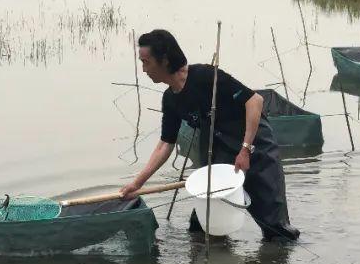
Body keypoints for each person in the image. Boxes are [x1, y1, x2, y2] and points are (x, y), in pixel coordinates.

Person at [120, 29, 300, 241]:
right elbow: (165, 145)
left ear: (165, 60)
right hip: (220, 150)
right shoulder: (170, 99)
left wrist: (245, 149)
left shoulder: (205, 76)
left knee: (276, 229)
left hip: (254, 145)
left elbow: (255, 101)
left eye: (146, 62)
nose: (143, 69)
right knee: (203, 226)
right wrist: (138, 184)